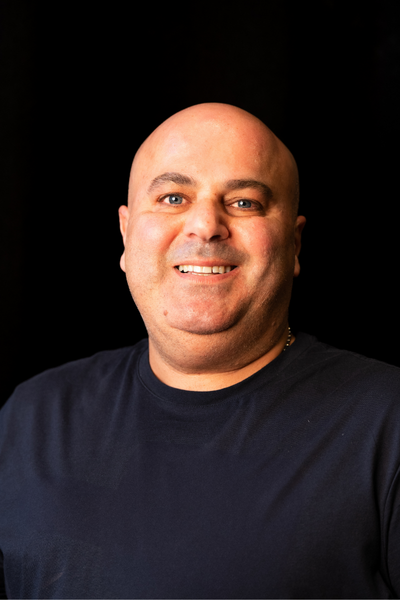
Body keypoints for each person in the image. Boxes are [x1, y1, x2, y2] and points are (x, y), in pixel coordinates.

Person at [0, 103, 400, 599]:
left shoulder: (387, 423)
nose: (206, 225)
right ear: (126, 234)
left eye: (244, 202)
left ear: (294, 244)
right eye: (173, 197)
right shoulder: (32, 417)